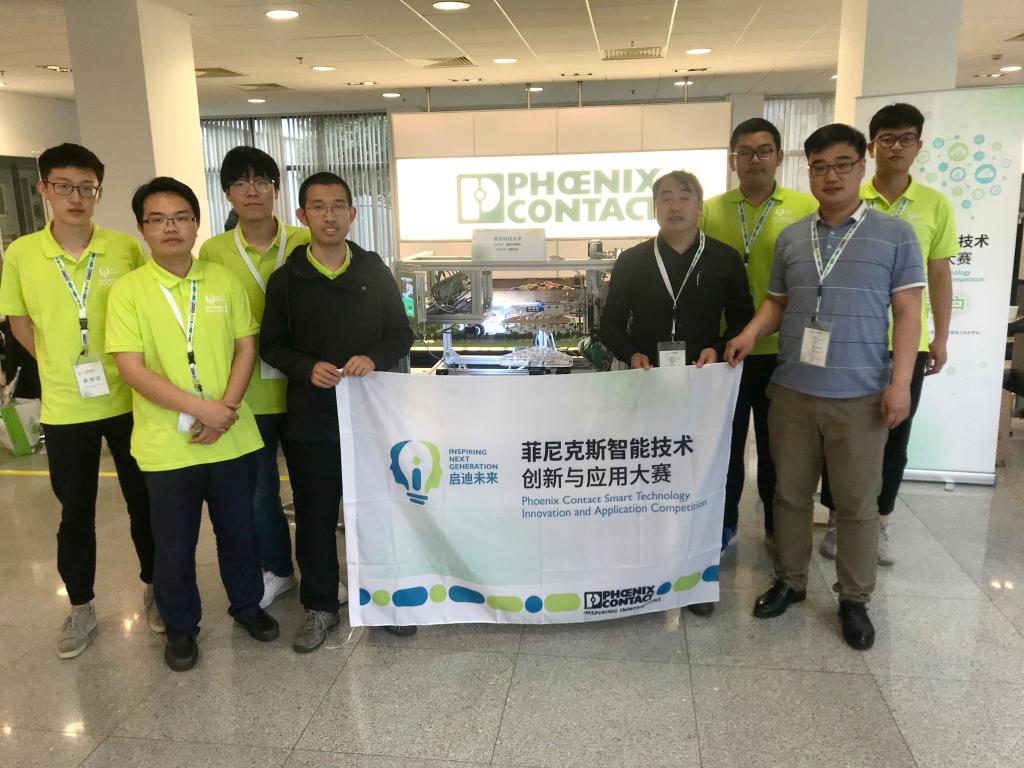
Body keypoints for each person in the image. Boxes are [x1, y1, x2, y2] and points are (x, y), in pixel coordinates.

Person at [724, 124, 924, 650]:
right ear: (807, 170)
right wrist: (749, 334)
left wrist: (901, 383)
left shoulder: (895, 234)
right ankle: (790, 581)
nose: (830, 176)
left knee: (856, 503)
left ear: (862, 166)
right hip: (792, 389)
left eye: (841, 165)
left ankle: (854, 598)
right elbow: (778, 302)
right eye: (819, 167)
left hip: (860, 393)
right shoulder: (793, 236)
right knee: (788, 494)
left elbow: (908, 311)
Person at [106, 177, 278, 671]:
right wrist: (203, 410)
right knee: (175, 545)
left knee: (239, 533)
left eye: (181, 217)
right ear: (142, 229)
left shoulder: (222, 280)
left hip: (232, 436)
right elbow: (131, 368)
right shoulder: (128, 291)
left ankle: (247, 605)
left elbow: (246, 347)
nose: (171, 227)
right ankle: (181, 627)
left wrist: (225, 409)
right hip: (167, 443)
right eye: (158, 219)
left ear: (196, 224)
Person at [0, 143, 159, 659]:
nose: (75, 197)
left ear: (99, 192)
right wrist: (54, 362)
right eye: (64, 187)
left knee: (144, 502)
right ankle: (81, 605)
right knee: (75, 513)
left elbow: (145, 311)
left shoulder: (123, 248)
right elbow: (19, 321)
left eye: (86, 188)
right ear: (43, 189)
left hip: (130, 398)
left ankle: (155, 587)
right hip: (66, 406)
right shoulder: (22, 254)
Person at [260, 172, 414, 653]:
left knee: (376, 511)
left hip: (370, 416)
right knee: (315, 516)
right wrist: (306, 368)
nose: (329, 216)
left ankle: (383, 600)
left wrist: (374, 357)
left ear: (352, 213)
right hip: (311, 419)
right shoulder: (287, 280)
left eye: (338, 206)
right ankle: (320, 606)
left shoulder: (372, 271)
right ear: (301, 215)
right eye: (318, 207)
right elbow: (271, 346)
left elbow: (402, 333)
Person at [601, 169, 754, 617]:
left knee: (706, 467)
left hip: (705, 381)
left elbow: (743, 318)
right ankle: (650, 550)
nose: (675, 206)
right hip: (648, 381)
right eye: (665, 197)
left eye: (684, 197)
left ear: (699, 206)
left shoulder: (724, 258)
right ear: (654, 207)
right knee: (651, 465)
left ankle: (700, 564)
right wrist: (631, 354)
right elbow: (611, 324)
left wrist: (718, 346)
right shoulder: (633, 260)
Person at [819, 103, 957, 566]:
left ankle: (879, 521)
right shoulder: (847, 199)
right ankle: (836, 517)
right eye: (887, 139)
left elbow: (939, 273)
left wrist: (940, 337)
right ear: (872, 148)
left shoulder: (934, 205)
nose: (897, 147)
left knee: (894, 433)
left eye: (906, 138)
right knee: (839, 434)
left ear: (919, 145)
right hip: (846, 340)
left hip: (905, 345)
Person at [199, 146, 311, 609]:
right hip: (249, 391)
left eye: (262, 181)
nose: (252, 191)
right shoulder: (214, 251)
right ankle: (279, 570)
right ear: (227, 193)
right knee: (261, 490)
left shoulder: (305, 239)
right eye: (241, 183)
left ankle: (320, 575)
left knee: (312, 487)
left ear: (276, 190)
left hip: (305, 387)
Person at [700, 118, 819, 550]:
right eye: (745, 152)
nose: (755, 160)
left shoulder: (806, 207)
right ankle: (723, 525)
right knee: (724, 447)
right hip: (724, 351)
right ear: (732, 161)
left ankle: (776, 525)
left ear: (779, 157)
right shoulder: (709, 211)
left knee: (779, 449)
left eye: (764, 151)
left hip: (783, 351)